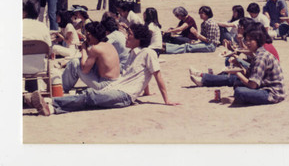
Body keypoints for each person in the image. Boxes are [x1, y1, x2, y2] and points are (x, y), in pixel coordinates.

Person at [27, 24, 180, 116]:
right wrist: (145, 92)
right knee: (89, 98)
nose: (126, 38)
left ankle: (49, 103)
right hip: (116, 87)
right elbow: (142, 74)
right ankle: (49, 107)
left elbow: (157, 75)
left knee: (89, 96)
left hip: (124, 94)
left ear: (139, 39)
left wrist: (167, 100)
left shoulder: (149, 53)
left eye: (130, 36)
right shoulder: (133, 53)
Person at [189, 29, 285, 106]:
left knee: (239, 91)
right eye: (246, 40)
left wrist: (237, 73)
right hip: (264, 86)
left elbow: (253, 85)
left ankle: (237, 100)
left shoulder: (261, 57)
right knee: (237, 83)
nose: (247, 43)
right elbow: (250, 74)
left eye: (250, 40)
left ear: (258, 41)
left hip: (272, 94)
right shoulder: (259, 53)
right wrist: (237, 65)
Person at [61, 22, 120, 93]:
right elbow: (92, 59)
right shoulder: (108, 45)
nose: (87, 37)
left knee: (75, 63)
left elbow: (84, 69)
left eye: (88, 34)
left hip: (103, 85)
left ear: (94, 35)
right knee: (80, 61)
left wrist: (83, 48)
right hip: (114, 82)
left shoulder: (96, 49)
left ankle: (62, 88)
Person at [23, 0, 51, 92]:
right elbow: (49, 49)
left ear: (25, 12)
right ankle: (32, 94)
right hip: (39, 67)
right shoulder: (42, 26)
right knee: (32, 58)